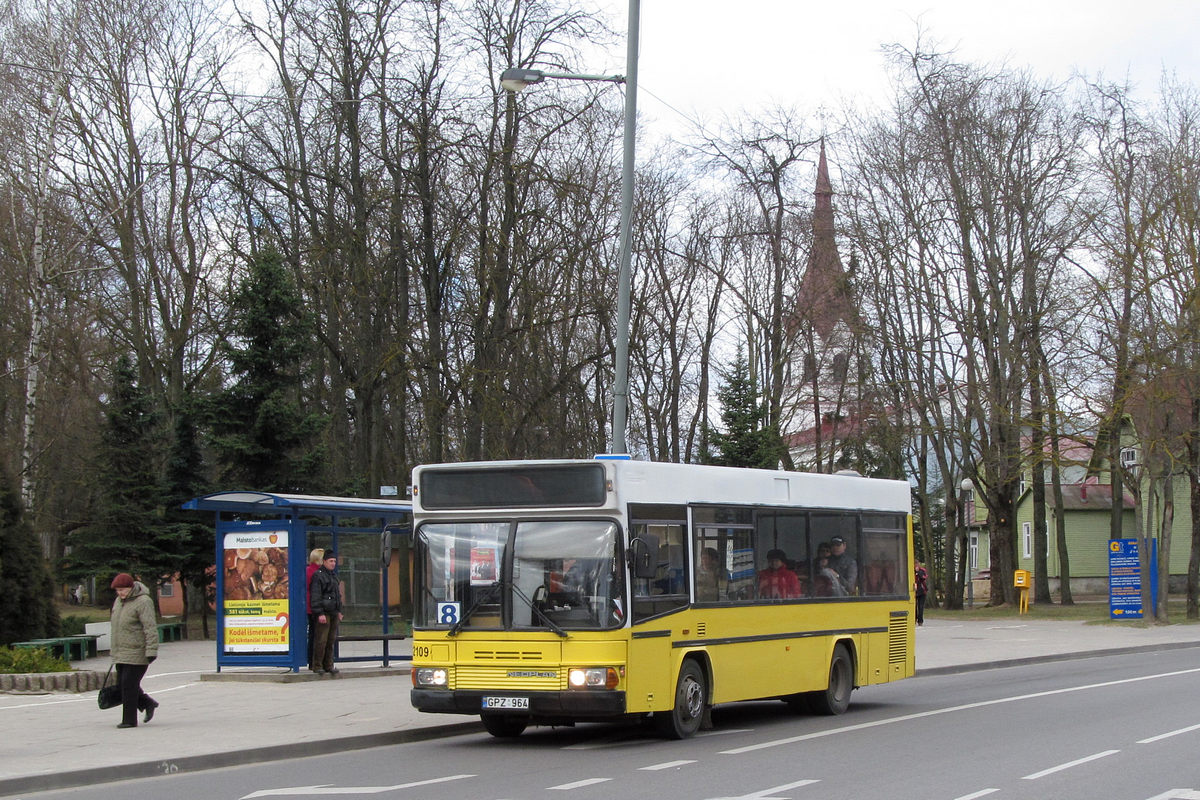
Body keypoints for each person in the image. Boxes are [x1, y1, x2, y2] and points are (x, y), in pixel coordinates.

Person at [109, 573, 159, 729]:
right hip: (121, 651)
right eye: (117, 590)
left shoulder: (143, 601)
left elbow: (150, 627)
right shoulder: (118, 602)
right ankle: (147, 703)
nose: (120, 593)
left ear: (131, 588)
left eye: (123, 590)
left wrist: (151, 650)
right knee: (124, 684)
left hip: (137, 650)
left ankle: (129, 720)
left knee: (128, 685)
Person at [308, 551, 344, 675]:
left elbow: (337, 595)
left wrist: (339, 610)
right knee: (321, 640)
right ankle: (317, 665)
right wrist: (319, 613)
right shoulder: (318, 576)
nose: (333, 563)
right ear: (324, 562)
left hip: (333, 612)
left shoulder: (333, 576)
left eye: (334, 561)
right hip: (324, 612)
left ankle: (329, 664)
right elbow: (316, 596)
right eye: (331, 561)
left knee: (330, 640)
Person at [305, 549, 324, 671]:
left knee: (312, 634)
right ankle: (315, 661)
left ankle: (311, 660)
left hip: (308, 606)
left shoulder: (307, 571)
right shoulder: (318, 572)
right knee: (317, 635)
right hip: (315, 606)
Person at [914, 561, 929, 626]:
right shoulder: (911, 571)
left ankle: (920, 621)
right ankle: (914, 619)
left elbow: (924, 577)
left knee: (921, 606)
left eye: (917, 564)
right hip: (914, 591)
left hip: (922, 591)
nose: (916, 565)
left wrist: (918, 572)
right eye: (915, 564)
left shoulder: (922, 570)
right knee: (914, 606)